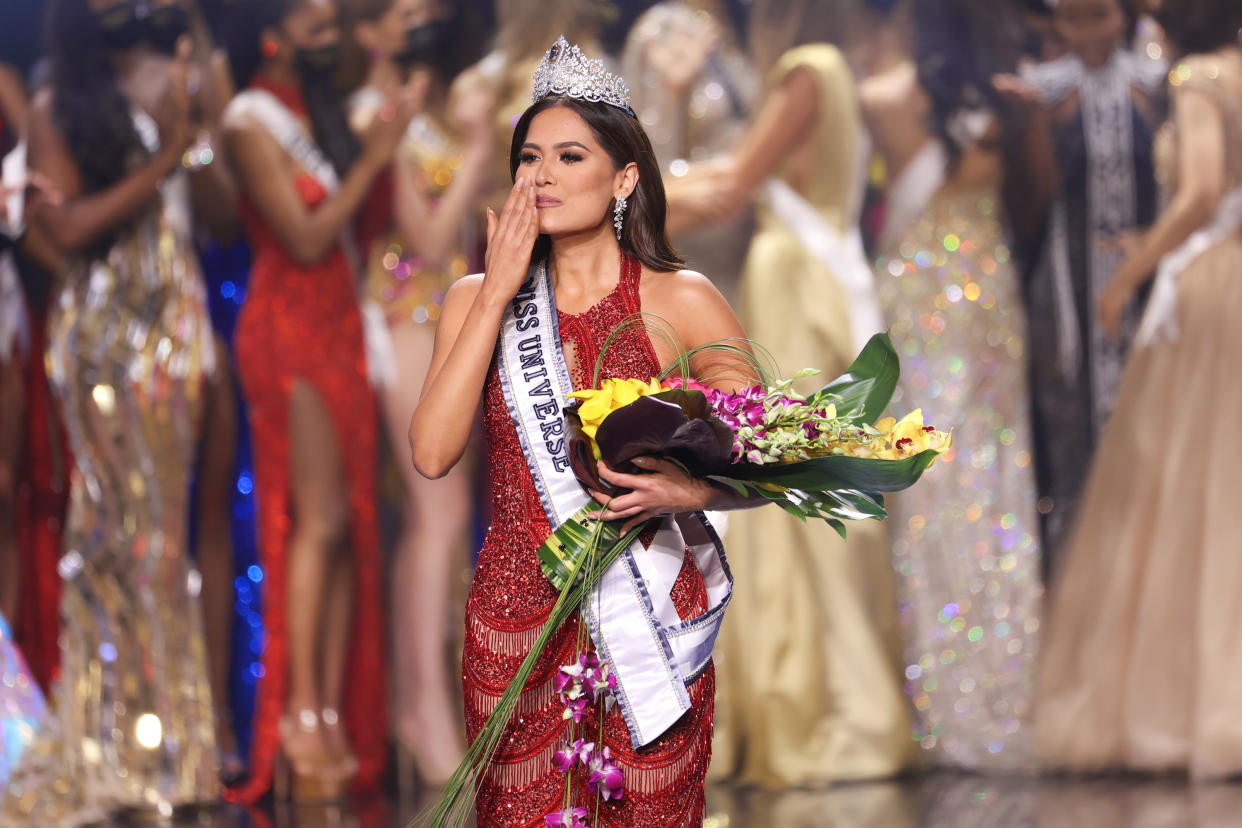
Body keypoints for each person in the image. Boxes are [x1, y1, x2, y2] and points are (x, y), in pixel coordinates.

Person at [409, 36, 756, 826]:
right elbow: (431, 453)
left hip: (652, 625)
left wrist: (688, 486)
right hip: (515, 615)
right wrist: (497, 290)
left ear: (624, 176)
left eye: (570, 156)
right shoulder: (475, 301)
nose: (542, 176)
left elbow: (770, 452)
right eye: (530, 158)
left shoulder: (681, 298)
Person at [667, 0, 913, 787]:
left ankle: (820, 708)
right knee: (803, 490)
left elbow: (734, 186)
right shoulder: (832, 72)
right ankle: (822, 700)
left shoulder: (806, 72)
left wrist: (623, 189)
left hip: (793, 284)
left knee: (787, 493)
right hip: (819, 280)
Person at [0, 0, 232, 820]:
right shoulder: (58, 99)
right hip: (101, 339)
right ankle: (111, 749)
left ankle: (172, 752)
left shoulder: (173, 76)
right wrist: (165, 153)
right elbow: (63, 225)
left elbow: (219, 213)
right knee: (111, 540)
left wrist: (196, 133)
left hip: (171, 330)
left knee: (163, 547)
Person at [1035, 0, 1242, 778]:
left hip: (1212, 289)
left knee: (1190, 486)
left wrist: (1128, 273)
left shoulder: (1198, 78)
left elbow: (1199, 191)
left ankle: (1197, 706)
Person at [221, 0, 415, 803]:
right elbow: (302, 236)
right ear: (270, 24)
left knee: (347, 527)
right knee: (317, 519)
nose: (327, 16)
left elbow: (356, 229)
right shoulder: (247, 121)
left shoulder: (321, 111)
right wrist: (374, 160)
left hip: (341, 320)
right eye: (309, 10)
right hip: (287, 325)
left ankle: (332, 707)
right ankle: (299, 712)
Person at [862, 0, 1044, 771]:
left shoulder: (878, 97)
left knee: (928, 481)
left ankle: (938, 698)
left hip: (916, 295)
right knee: (994, 482)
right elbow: (1033, 202)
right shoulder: (1005, 99)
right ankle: (1004, 693)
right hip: (987, 290)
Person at [339, 0, 490, 786]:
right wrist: (472, 150)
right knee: (436, 511)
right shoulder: (374, 113)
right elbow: (426, 237)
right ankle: (421, 710)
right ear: (373, 30)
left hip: (452, 323)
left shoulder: (441, 104)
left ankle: (430, 700)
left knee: (440, 519)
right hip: (400, 318)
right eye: (404, 9)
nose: (422, 16)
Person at [995, 0, 1166, 563]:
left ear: (1125, 16)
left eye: (1100, 15)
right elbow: (1027, 201)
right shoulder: (1038, 92)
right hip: (1064, 286)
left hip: (1146, 281)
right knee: (1068, 412)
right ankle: (1081, 567)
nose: (1087, 31)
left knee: (1151, 407)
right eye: (1073, 18)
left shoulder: (1157, 85)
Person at [621, 0, 758, 305]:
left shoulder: (737, 26)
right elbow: (642, 161)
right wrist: (670, 89)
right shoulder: (663, 27)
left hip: (744, 242)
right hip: (694, 242)